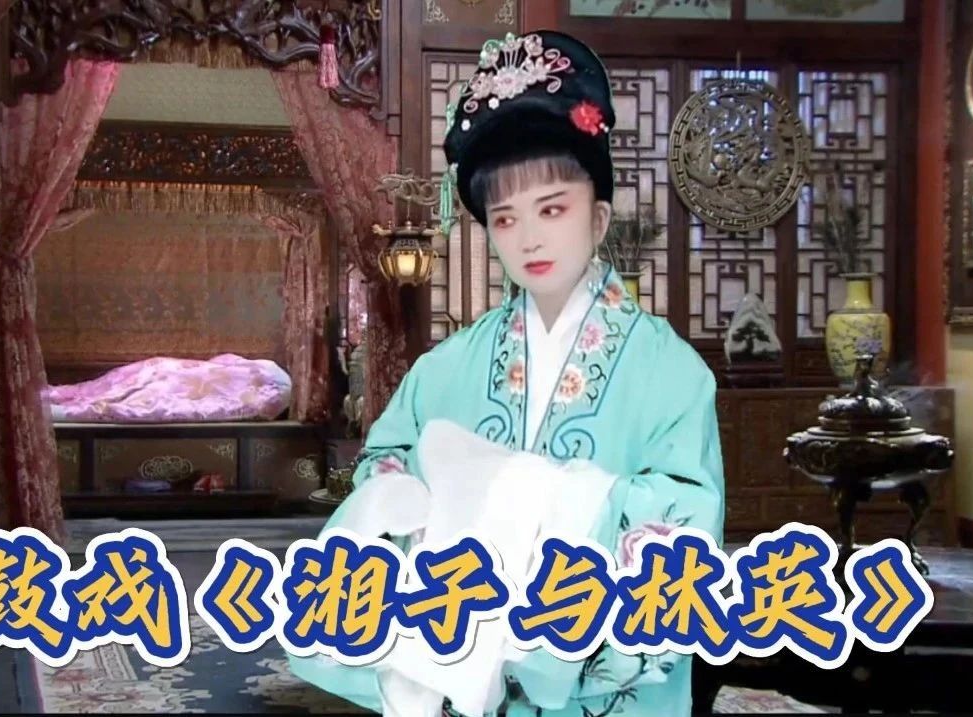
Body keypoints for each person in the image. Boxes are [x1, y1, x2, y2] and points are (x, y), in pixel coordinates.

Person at [287, 29, 724, 717]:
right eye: (505, 218)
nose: (529, 237)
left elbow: (685, 526)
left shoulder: (671, 373)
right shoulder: (445, 368)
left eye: (552, 208)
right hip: (464, 660)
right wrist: (399, 503)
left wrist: (544, 496)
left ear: (598, 216)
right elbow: (385, 466)